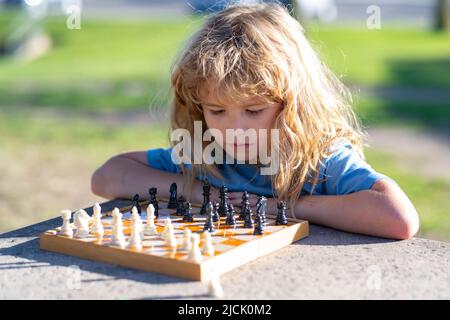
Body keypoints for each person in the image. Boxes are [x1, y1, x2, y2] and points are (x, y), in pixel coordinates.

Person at [91, 3, 419, 240]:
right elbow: (107, 176)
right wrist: (201, 192)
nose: (234, 130)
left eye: (253, 111)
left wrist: (286, 206)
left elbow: (398, 217)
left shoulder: (320, 158)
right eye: (217, 111)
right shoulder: (207, 154)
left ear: (291, 105)